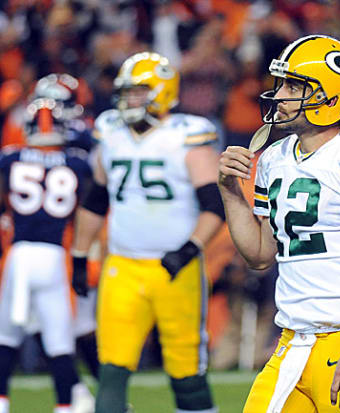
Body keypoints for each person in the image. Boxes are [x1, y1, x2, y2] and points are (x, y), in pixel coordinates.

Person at [218, 35, 340, 412]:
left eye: (294, 86)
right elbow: (260, 254)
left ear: (329, 98)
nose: (280, 96)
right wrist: (228, 190)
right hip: (291, 341)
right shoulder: (274, 158)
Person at [70, 52, 224, 413]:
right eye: (127, 93)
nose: (130, 101)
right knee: (112, 364)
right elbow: (95, 200)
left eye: (139, 92)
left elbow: (214, 206)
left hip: (176, 269)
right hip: (122, 265)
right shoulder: (111, 133)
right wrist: (79, 255)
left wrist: (188, 250)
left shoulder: (186, 136)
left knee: (186, 369)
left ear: (163, 91)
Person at [0, 90, 95, 413]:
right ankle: (66, 406)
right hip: (54, 256)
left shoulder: (11, 157)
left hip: (19, 254)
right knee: (59, 341)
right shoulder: (76, 163)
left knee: (6, 338)